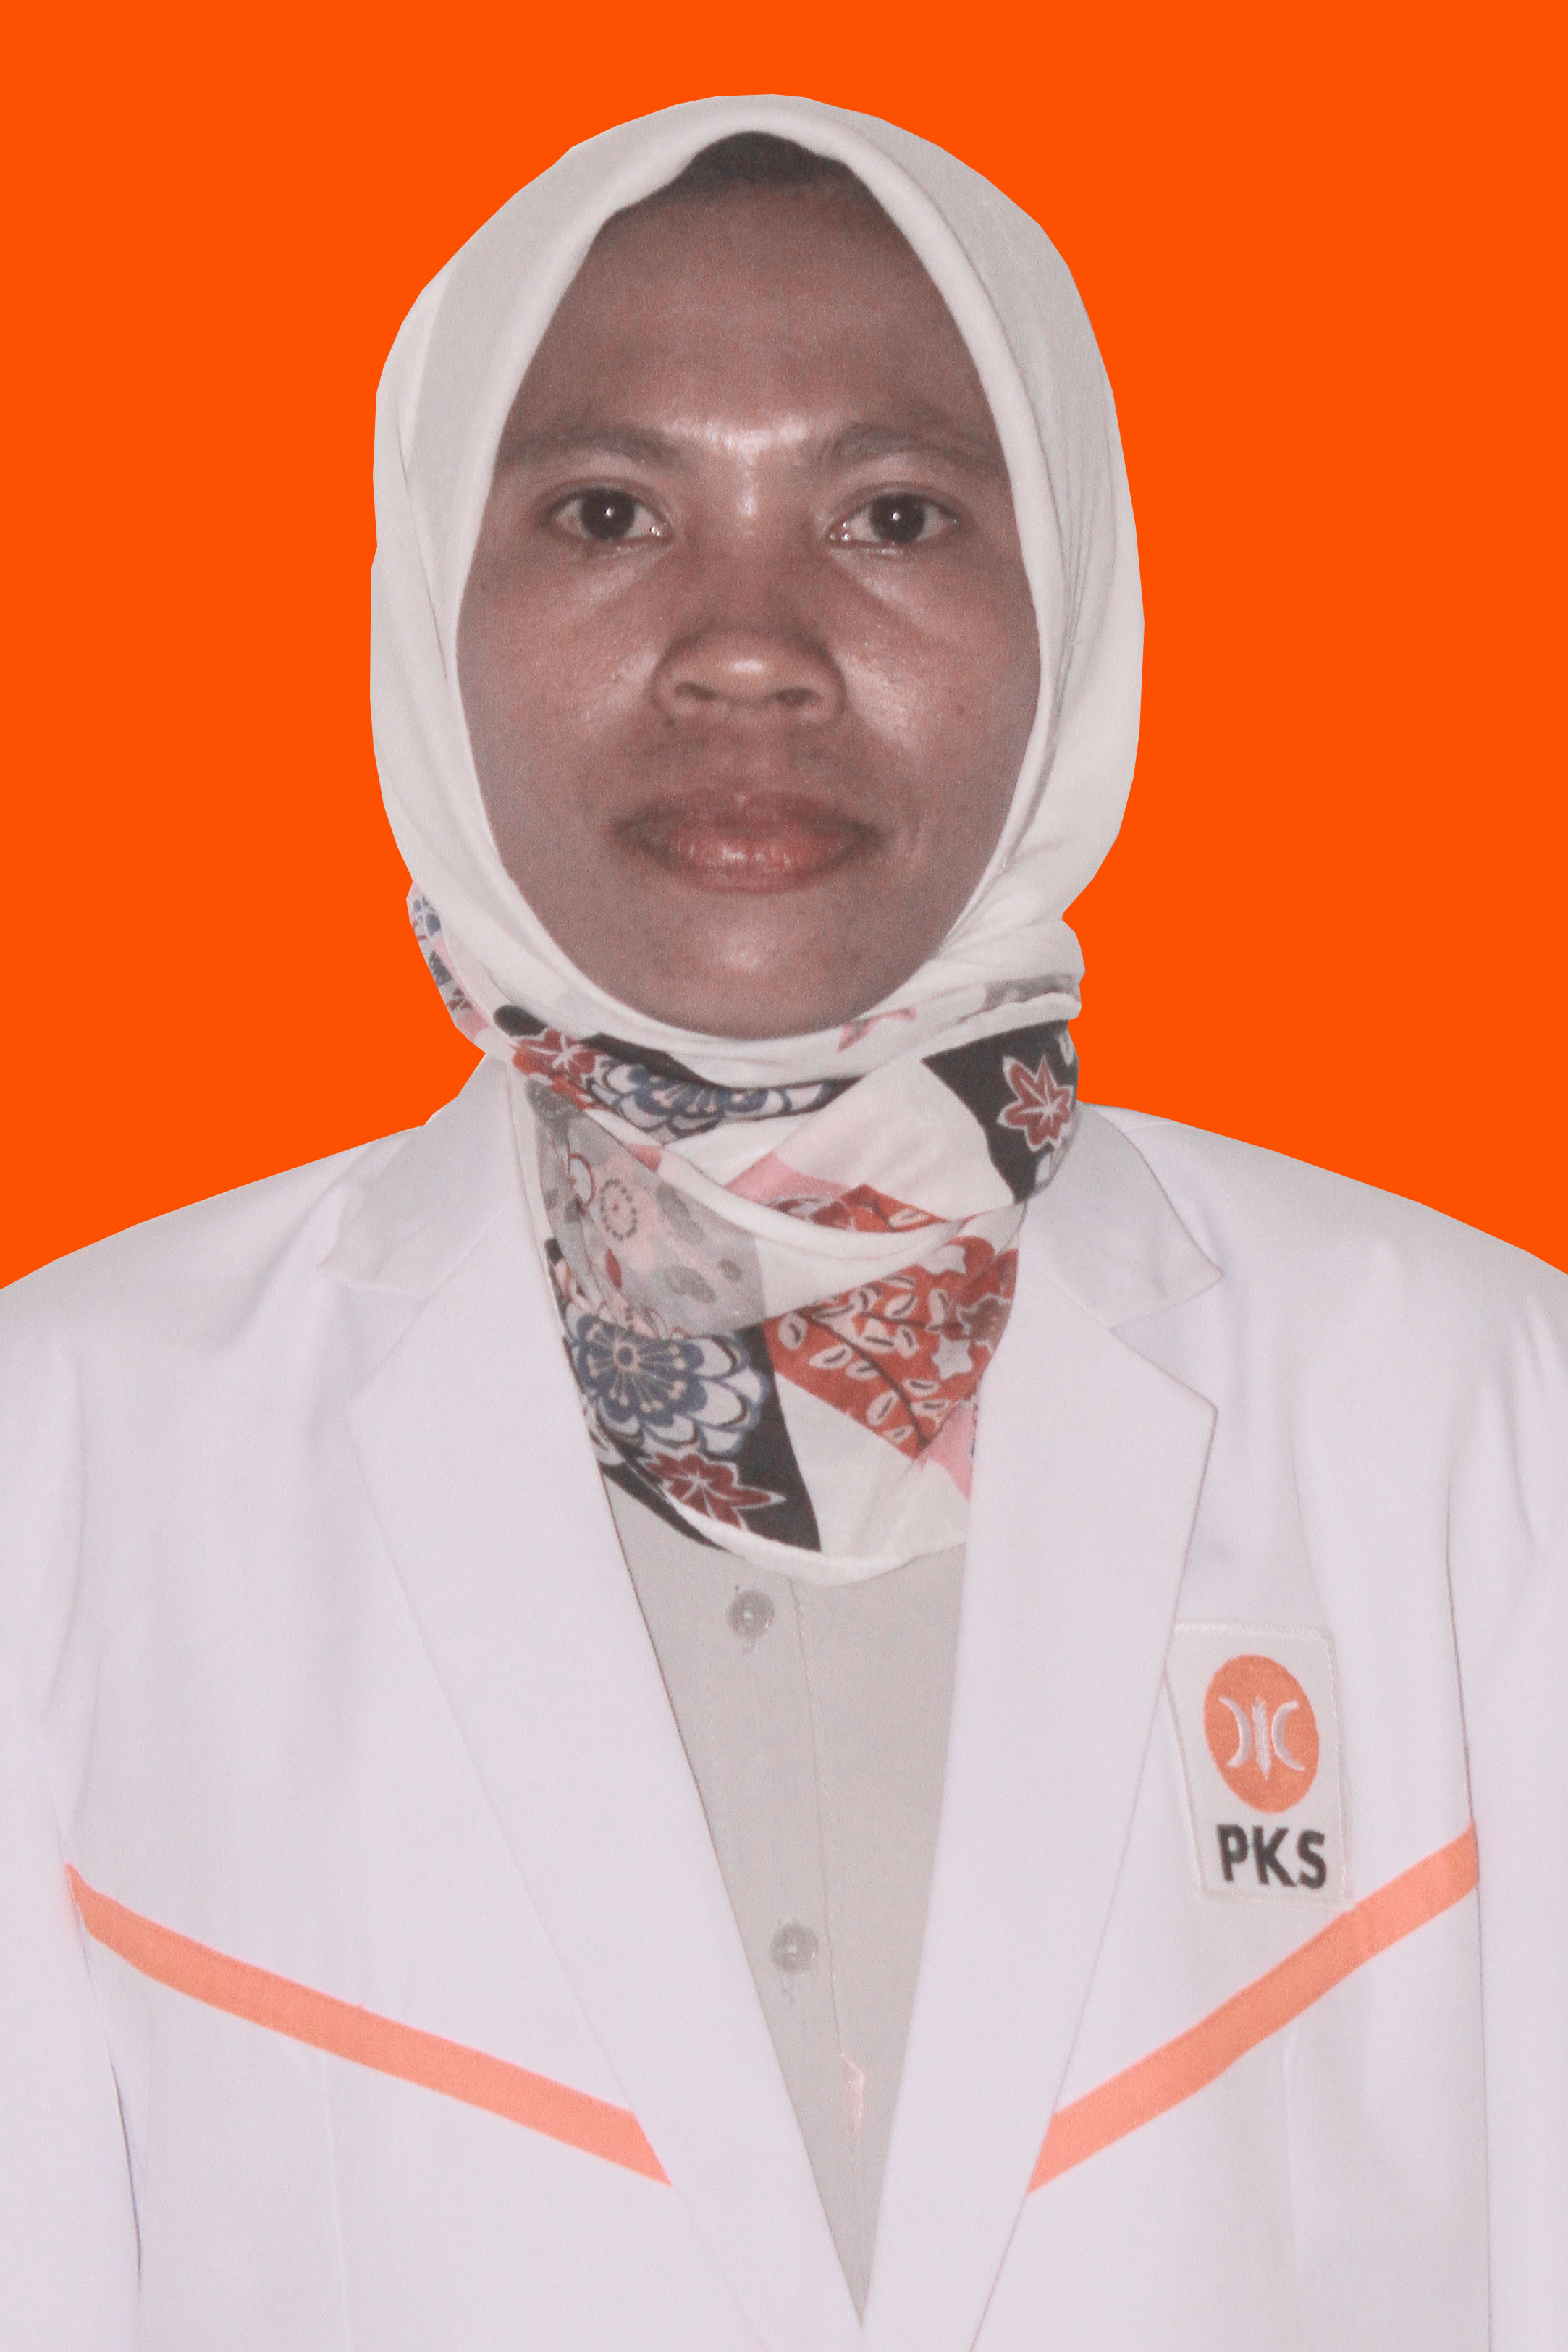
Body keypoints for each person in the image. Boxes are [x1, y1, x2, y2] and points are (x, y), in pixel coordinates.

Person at [1, 94, 1562, 2351]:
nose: (749, 647)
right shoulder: (68, 1458)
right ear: (435, 592)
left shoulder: (1480, 1421)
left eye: (893, 513)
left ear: (1068, 598)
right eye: (610, 511)